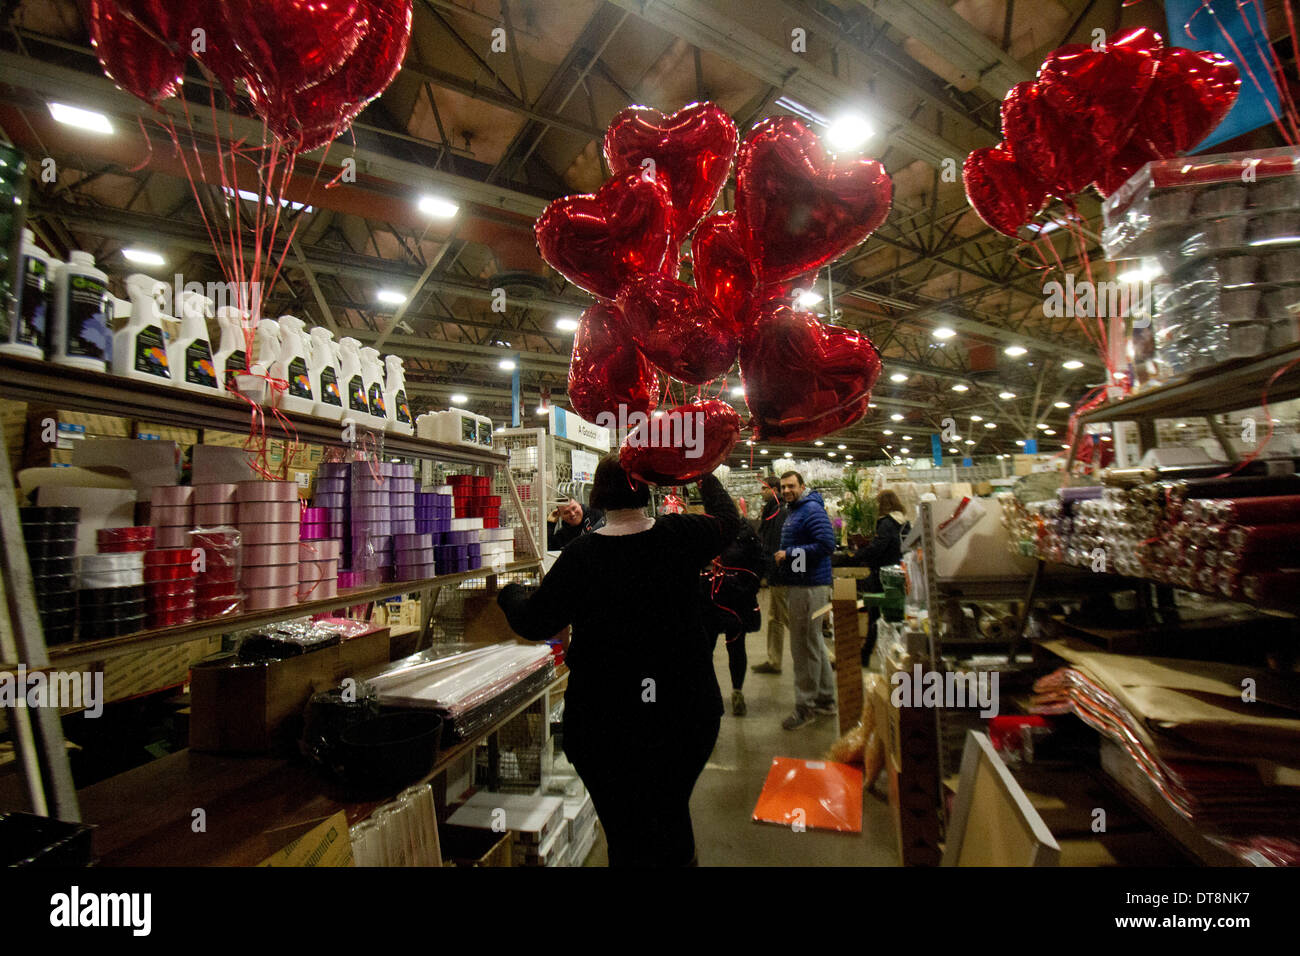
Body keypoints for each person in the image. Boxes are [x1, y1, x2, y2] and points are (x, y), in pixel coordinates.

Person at [497, 454, 741, 866]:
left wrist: (510, 593)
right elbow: (727, 519)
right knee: (671, 815)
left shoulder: (581, 556)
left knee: (626, 832)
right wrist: (699, 469)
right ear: (647, 487)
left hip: (605, 725)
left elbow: (535, 620)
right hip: (685, 713)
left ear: (596, 496)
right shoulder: (680, 535)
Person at [773, 470, 836, 730]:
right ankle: (825, 698)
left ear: (802, 486)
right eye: (783, 487)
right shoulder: (796, 510)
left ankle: (805, 706)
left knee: (802, 646)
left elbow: (826, 545)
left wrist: (789, 554)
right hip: (805, 585)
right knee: (814, 643)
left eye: (791, 486)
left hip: (810, 587)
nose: (786, 490)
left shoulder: (810, 510)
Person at [836, 489, 912, 663]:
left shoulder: (886, 523)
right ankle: (893, 653)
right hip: (900, 572)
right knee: (894, 616)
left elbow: (877, 547)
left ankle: (866, 654)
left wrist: (856, 556)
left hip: (882, 574)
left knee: (875, 614)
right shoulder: (904, 522)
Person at [700, 519, 765, 716]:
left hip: (736, 601)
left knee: (736, 647)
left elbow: (759, 564)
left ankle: (737, 692)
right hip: (709, 600)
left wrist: (747, 588)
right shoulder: (707, 531)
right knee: (705, 649)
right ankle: (709, 695)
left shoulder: (746, 535)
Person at [751, 474, 789, 675]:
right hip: (774, 573)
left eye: (765, 488)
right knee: (775, 618)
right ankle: (774, 661)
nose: (762, 492)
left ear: (774, 490)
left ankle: (828, 656)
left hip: (780, 573)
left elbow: (777, 543)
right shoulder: (772, 510)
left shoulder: (780, 512)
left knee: (789, 618)